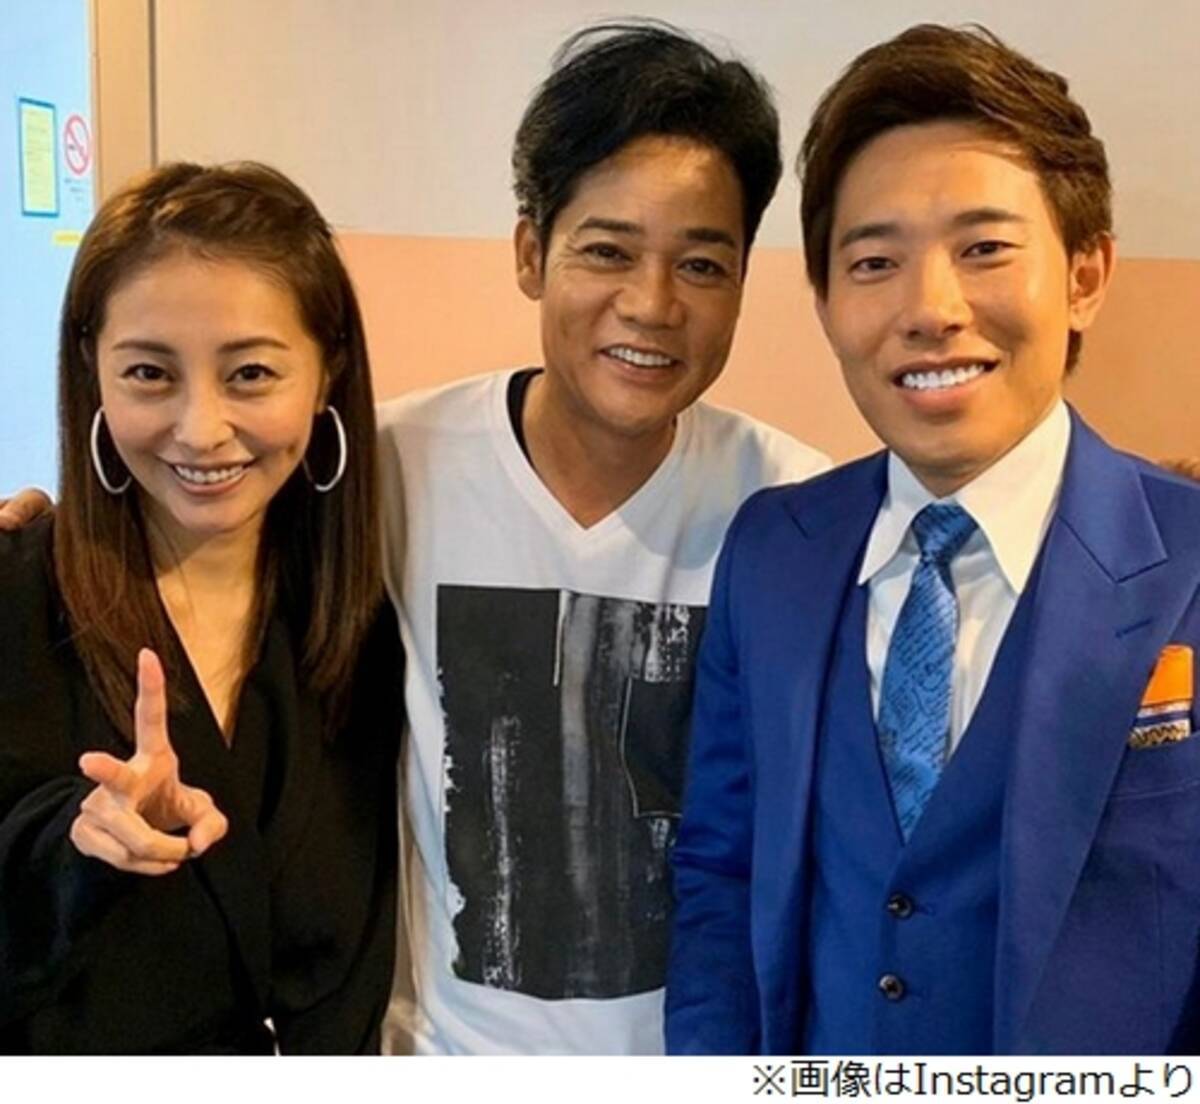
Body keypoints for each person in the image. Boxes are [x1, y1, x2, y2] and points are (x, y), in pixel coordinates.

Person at [667, 22, 1200, 1056]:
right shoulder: (772, 551)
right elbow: (721, 873)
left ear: (1086, 274)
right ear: (825, 301)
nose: (929, 308)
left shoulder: (1184, 554)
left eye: (984, 249)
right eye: (875, 261)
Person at [374, 22, 828, 1054]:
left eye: (701, 264)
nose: (652, 305)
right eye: (608, 251)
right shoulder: (393, 465)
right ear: (531, 253)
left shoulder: (797, 509)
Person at [0, 162, 401, 1053]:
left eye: (251, 373)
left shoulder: (373, 613)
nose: (201, 429)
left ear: (327, 371)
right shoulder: (18, 598)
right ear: (92, 371)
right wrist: (74, 849)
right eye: (149, 373)